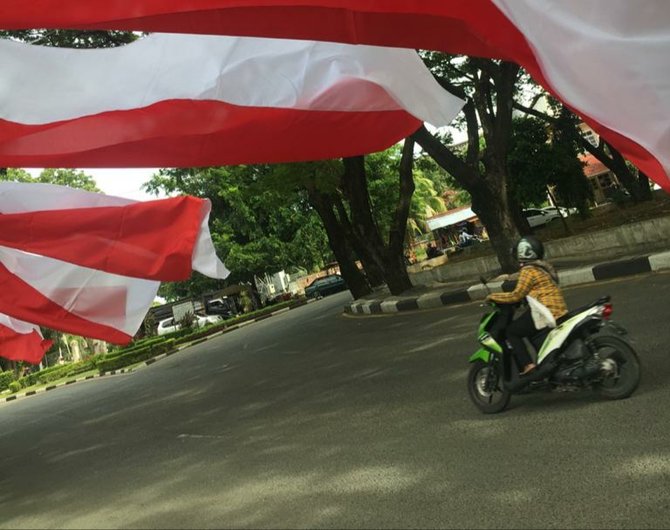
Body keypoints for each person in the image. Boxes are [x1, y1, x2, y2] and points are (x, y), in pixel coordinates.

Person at [486, 236, 568, 375]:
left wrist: (492, 296)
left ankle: (528, 365)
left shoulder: (528, 271)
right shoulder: (543, 267)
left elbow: (516, 295)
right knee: (526, 325)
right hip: (558, 310)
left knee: (511, 331)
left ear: (523, 252)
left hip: (545, 312)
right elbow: (535, 290)